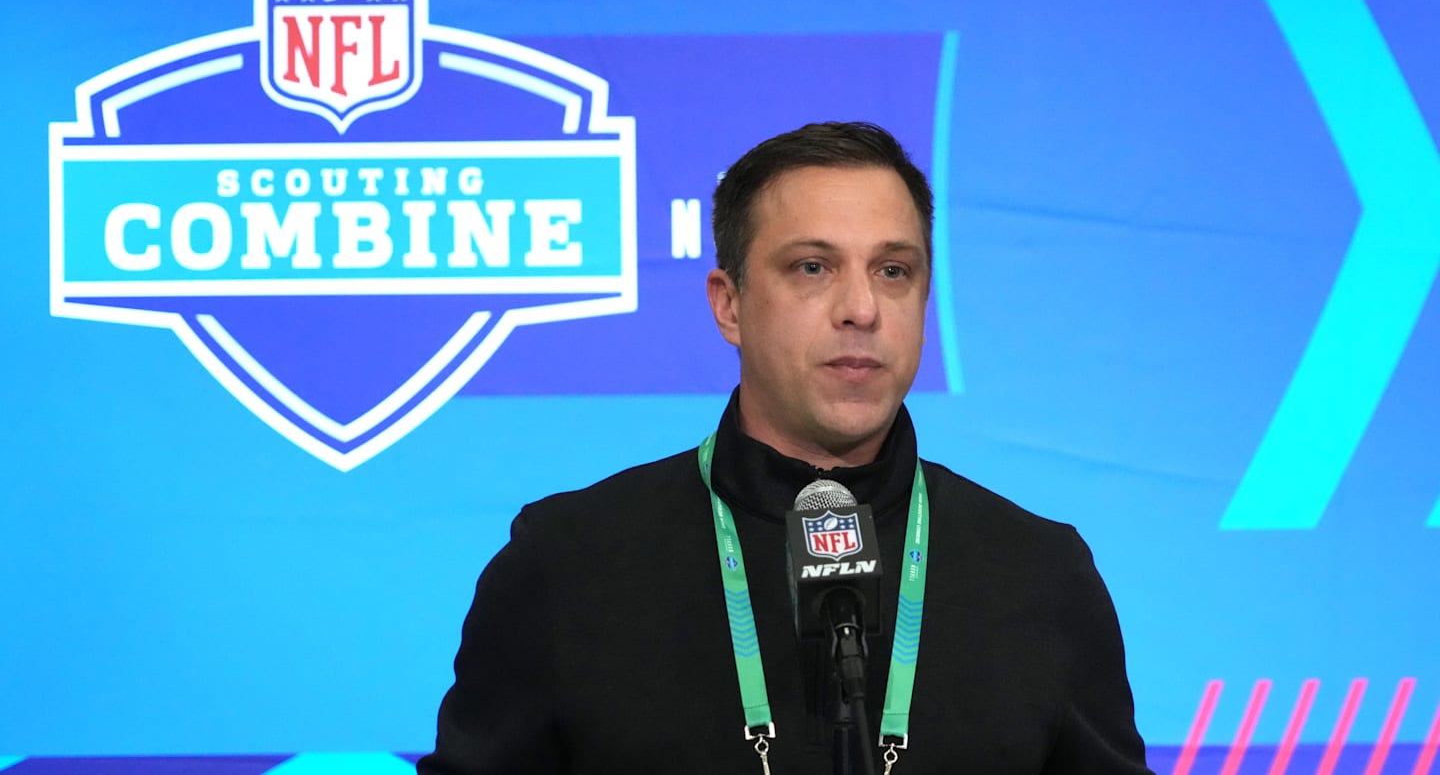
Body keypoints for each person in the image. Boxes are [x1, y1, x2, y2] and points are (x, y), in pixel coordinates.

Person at [418, 122, 1152, 774]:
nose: (861, 309)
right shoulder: (566, 561)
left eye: (893, 271)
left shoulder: (1041, 573)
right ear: (728, 304)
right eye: (813, 267)